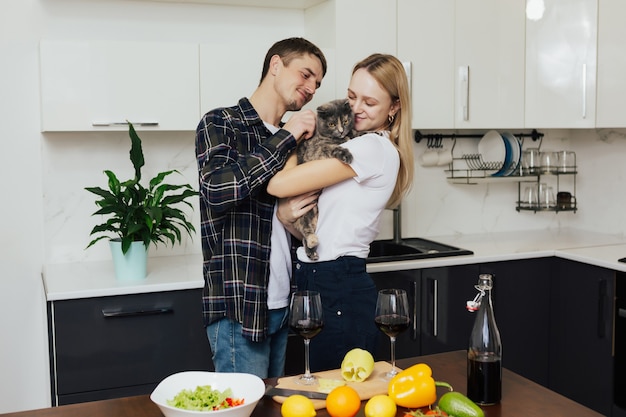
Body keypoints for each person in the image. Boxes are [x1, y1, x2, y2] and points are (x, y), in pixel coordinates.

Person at [267, 53, 414, 372]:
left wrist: (292, 136)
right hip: (315, 278)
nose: (356, 108)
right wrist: (287, 218)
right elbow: (321, 233)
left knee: (340, 394)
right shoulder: (355, 145)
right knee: (323, 390)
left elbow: (279, 184)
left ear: (394, 106)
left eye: (369, 102)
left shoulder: (371, 148)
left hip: (339, 287)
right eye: (351, 97)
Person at [195, 37, 327, 378]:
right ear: (276, 65)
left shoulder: (299, 140)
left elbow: (303, 217)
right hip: (240, 309)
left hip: (284, 306)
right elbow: (218, 190)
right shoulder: (221, 123)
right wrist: (288, 136)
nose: (312, 88)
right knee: (243, 411)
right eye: (306, 74)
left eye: (318, 83)